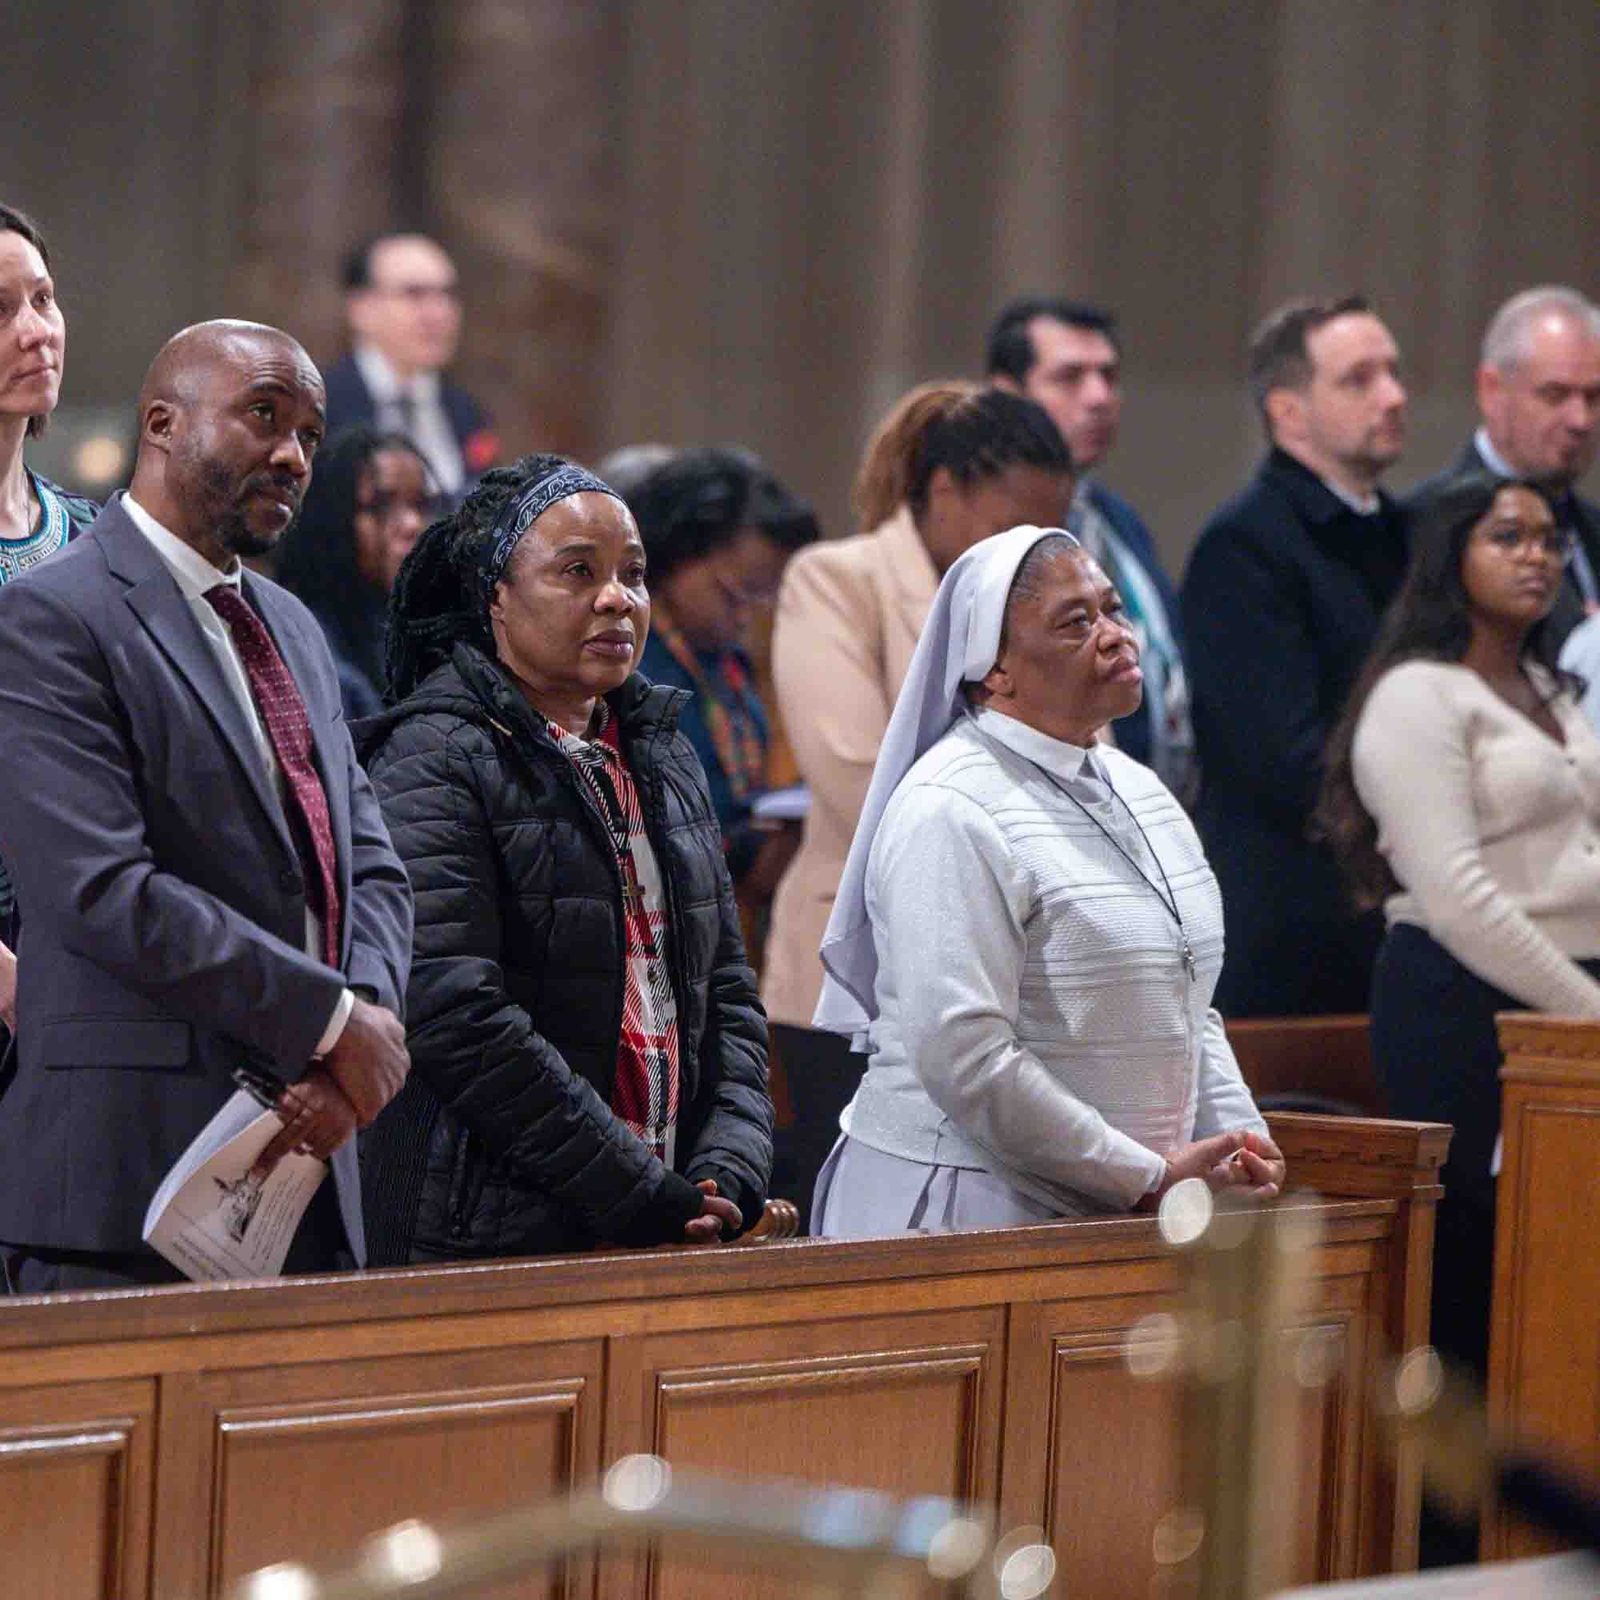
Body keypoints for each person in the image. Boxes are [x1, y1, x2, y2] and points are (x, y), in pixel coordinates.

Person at [0, 320, 414, 1292]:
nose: (291, 455)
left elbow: (371, 861)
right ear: (161, 423)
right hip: (124, 1182)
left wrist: (366, 1029)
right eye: (264, 416)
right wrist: (331, 1020)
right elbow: (99, 890)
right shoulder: (55, 615)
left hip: (311, 1157)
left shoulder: (291, 626)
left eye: (310, 434)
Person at [360, 453, 773, 1264]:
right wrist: (635, 1190)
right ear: (496, 600)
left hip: (666, 1206)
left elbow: (725, 986)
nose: (617, 598)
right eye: (577, 572)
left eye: (633, 573)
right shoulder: (433, 755)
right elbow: (456, 1015)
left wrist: (729, 1170)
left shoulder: (659, 753)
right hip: (487, 1232)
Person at [810, 525, 1281, 1236]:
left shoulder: (1141, 790)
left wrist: (1241, 1139)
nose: (1119, 636)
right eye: (1076, 622)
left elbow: (1188, 1004)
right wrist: (1143, 1175)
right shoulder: (952, 806)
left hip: (1125, 1204)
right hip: (960, 1205)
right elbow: (965, 1055)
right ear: (993, 669)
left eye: (1114, 609)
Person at [763, 381, 1074, 1224]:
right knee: (877, 1228)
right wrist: (1034, 833)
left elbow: (1089, 758)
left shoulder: (1047, 611)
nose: (1033, 553)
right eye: (1015, 523)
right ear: (942, 494)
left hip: (1020, 969)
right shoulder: (839, 580)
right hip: (856, 963)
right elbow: (855, 774)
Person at [1318, 472, 1600, 1382]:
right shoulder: (1417, 697)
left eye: (1551, 540)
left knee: (1569, 1264)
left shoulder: (1553, 689)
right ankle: (1454, 1519)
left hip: (1569, 1003)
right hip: (1467, 1003)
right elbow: (1456, 892)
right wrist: (1586, 1017)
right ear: (1452, 555)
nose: (1538, 557)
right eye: (1508, 537)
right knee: (1482, 1265)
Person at [1181, 295, 1409, 1017]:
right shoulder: (1244, 545)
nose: (1395, 396)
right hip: (1294, 923)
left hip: (1390, 907)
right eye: (1360, 379)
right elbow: (1280, 759)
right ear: (1288, 412)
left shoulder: (1408, 534)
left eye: (1394, 373)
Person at [986, 297, 1192, 793]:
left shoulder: (1118, 520)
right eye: (1070, 377)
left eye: (1109, 376)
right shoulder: (990, 533)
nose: (1099, 396)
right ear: (1006, 394)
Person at [625, 445, 819, 893]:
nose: (747, 616)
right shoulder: (627, 661)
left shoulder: (729, 662)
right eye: (737, 593)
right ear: (676, 556)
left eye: (764, 597)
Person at [0, 204, 99, 1041]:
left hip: (77, 962)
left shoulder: (92, 537)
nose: (37, 332)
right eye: (1, 311)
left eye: (44, 298)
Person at [1409, 287, 1600, 649]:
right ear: (1491, 390)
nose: (1581, 420)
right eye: (1555, 395)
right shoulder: (1422, 524)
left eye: (1593, 397)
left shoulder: (1593, 528)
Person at [274, 425, 437, 718]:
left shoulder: (429, 628)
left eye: (421, 505)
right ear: (335, 519)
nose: (413, 524)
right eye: (382, 505)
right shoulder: (305, 644)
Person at [322, 232, 497, 504]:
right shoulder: (321, 407)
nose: (438, 314)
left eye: (447, 295)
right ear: (360, 307)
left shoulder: (468, 413)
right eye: (414, 294)